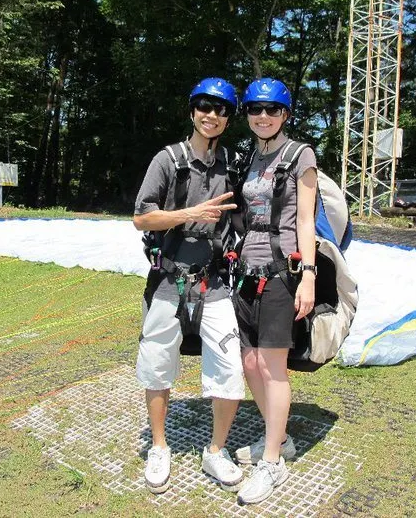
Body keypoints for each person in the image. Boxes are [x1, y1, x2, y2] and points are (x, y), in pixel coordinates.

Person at [133, 77, 246, 495]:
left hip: (213, 281)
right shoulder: (167, 160)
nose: (211, 116)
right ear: (191, 110)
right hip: (167, 279)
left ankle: (216, 449)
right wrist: (188, 213)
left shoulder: (232, 164)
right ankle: (159, 446)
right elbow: (142, 218)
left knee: (229, 368)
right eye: (204, 106)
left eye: (221, 110)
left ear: (229, 118)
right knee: (158, 367)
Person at [232, 78, 318, 505]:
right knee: (248, 361)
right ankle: (278, 438)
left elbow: (306, 220)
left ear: (285, 114)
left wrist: (309, 275)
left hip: (283, 272)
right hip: (246, 272)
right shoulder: (246, 156)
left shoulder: (301, 155)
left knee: (272, 366)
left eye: (271, 109)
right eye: (254, 109)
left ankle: (271, 462)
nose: (262, 117)